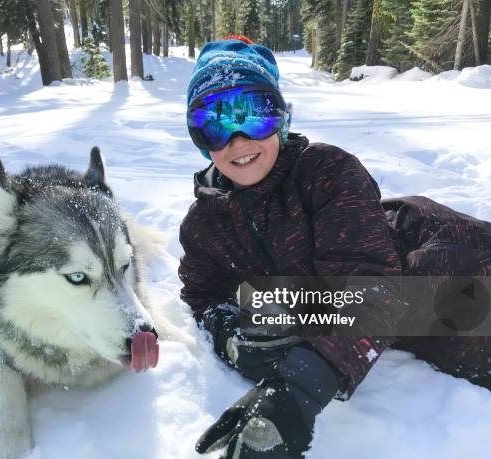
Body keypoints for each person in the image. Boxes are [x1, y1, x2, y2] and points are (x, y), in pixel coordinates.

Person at [179, 37, 491, 459]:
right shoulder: (205, 226)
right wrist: (228, 336)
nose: (237, 139)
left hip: (438, 259)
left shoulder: (327, 172)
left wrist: (298, 389)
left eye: (255, 115)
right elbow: (202, 293)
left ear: (283, 119)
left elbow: (368, 285)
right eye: (215, 124)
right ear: (200, 138)